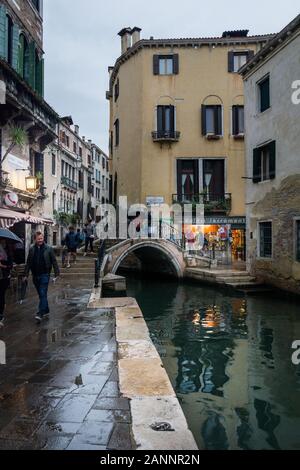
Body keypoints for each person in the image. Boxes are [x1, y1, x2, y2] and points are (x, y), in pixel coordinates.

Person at [24, 232, 60, 323]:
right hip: (35, 275)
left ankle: (40, 313)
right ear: (35, 239)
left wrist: (57, 274)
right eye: (38, 239)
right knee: (41, 295)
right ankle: (46, 309)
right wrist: (26, 274)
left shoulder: (49, 249)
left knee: (43, 292)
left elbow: (54, 261)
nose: (40, 240)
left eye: (41, 238)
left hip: (45, 274)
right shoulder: (32, 249)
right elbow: (28, 263)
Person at [0, 239, 13, 328]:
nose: (2, 243)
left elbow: (10, 266)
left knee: (1, 295)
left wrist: (2, 265)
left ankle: (0, 314)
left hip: (3, 277)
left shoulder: (8, 253)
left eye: (3, 242)